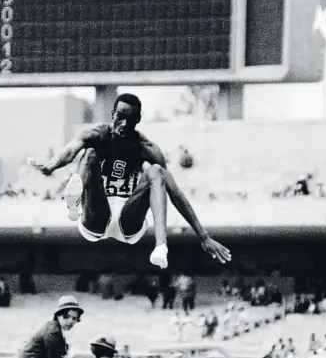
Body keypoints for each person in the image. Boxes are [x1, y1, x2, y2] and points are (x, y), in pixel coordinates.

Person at [28, 93, 232, 269]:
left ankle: (161, 246)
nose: (124, 125)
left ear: (138, 120)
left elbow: (175, 194)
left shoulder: (147, 148)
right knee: (89, 154)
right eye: (120, 117)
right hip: (96, 213)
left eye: (131, 120)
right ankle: (74, 204)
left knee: (156, 171)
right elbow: (71, 150)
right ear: (112, 115)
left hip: (129, 216)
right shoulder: (95, 135)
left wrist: (203, 236)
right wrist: (51, 166)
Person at [14, 296, 83, 358]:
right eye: (67, 316)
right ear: (58, 315)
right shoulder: (53, 332)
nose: (70, 321)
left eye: (74, 318)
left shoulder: (54, 327)